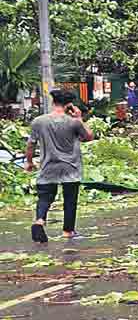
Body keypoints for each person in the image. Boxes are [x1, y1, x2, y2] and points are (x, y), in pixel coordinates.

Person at [25, 89, 94, 243]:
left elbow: (31, 144)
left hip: (48, 165)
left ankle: (40, 221)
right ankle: (68, 231)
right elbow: (89, 137)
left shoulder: (39, 121)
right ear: (69, 104)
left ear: (53, 102)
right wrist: (80, 118)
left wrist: (29, 162)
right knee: (70, 199)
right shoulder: (74, 122)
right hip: (71, 167)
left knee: (44, 197)